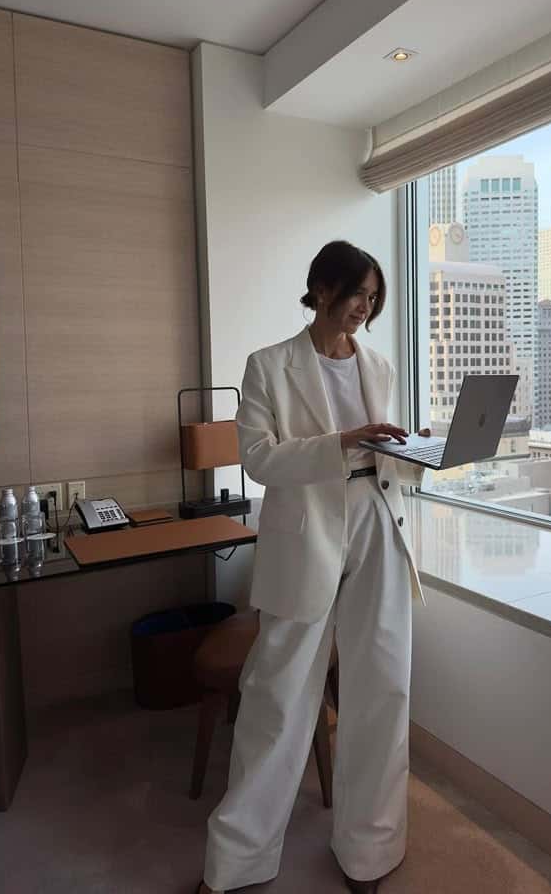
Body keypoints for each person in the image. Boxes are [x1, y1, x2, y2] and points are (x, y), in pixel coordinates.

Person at [198, 241, 429, 894]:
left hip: (379, 523)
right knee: (277, 697)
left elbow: (390, 457)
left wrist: (428, 454)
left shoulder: (379, 366)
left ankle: (371, 851)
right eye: (357, 293)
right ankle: (237, 862)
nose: (366, 306)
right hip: (306, 534)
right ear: (321, 290)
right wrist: (346, 441)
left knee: (383, 687)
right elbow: (260, 460)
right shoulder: (268, 365)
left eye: (374, 297)